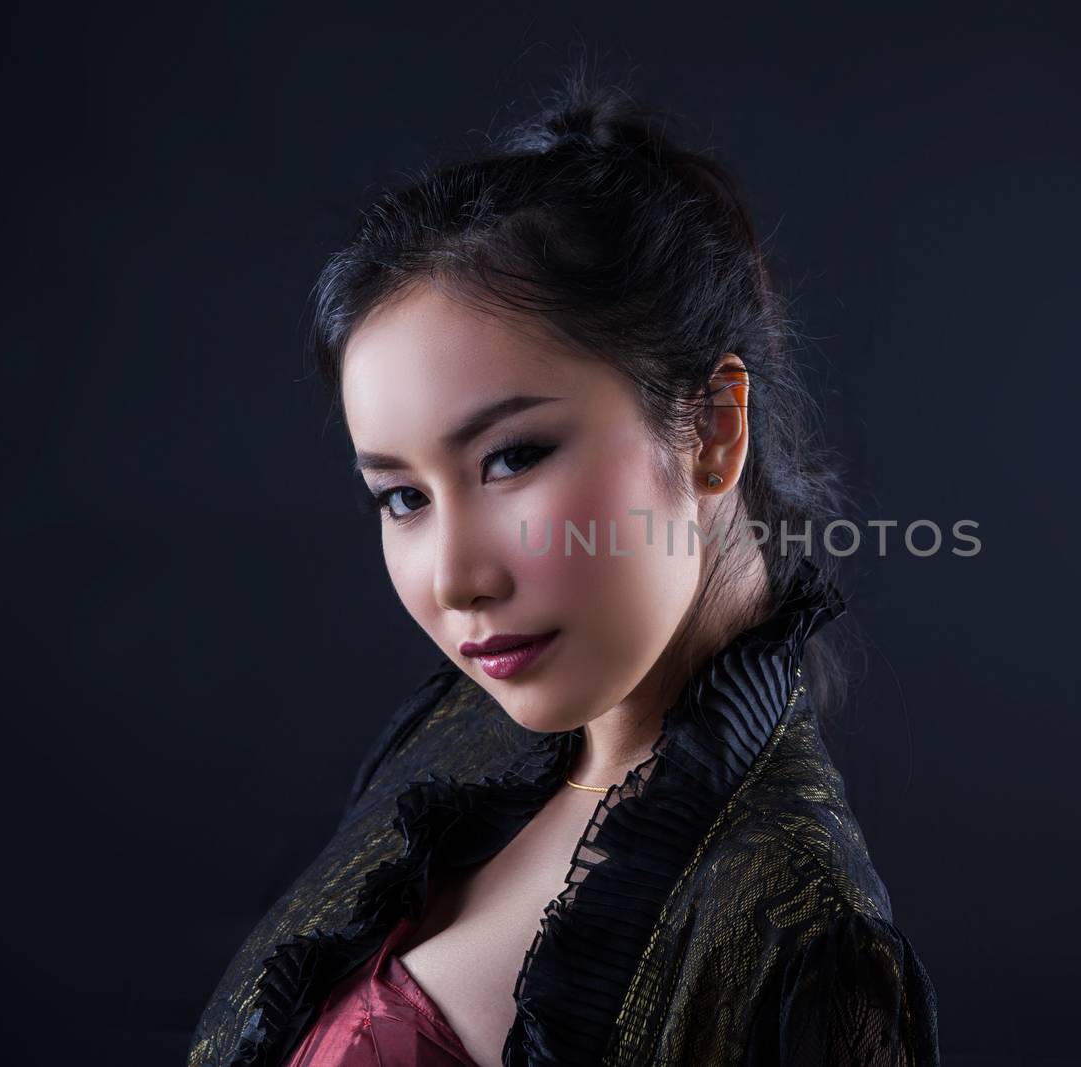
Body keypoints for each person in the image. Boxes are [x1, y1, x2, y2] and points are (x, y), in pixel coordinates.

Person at [186, 71, 941, 1067]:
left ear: (713, 430)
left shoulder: (804, 943)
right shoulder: (454, 755)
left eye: (514, 456)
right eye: (402, 496)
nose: (456, 577)